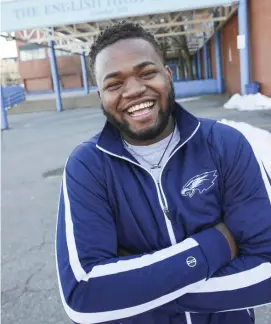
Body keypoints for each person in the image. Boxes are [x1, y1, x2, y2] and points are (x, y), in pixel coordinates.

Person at [56, 21, 271, 324]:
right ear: (100, 96)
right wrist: (216, 245)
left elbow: (266, 268)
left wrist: (134, 291)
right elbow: (84, 296)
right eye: (114, 83)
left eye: (146, 73)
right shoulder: (87, 167)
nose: (133, 90)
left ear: (167, 76)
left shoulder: (225, 144)